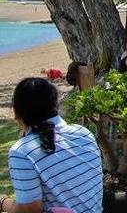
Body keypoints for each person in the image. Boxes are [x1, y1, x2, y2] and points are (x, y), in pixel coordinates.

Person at [1, 78, 103, 213]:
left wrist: (3, 201)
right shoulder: (83, 132)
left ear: (16, 112)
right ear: (56, 104)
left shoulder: (22, 152)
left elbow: (29, 210)